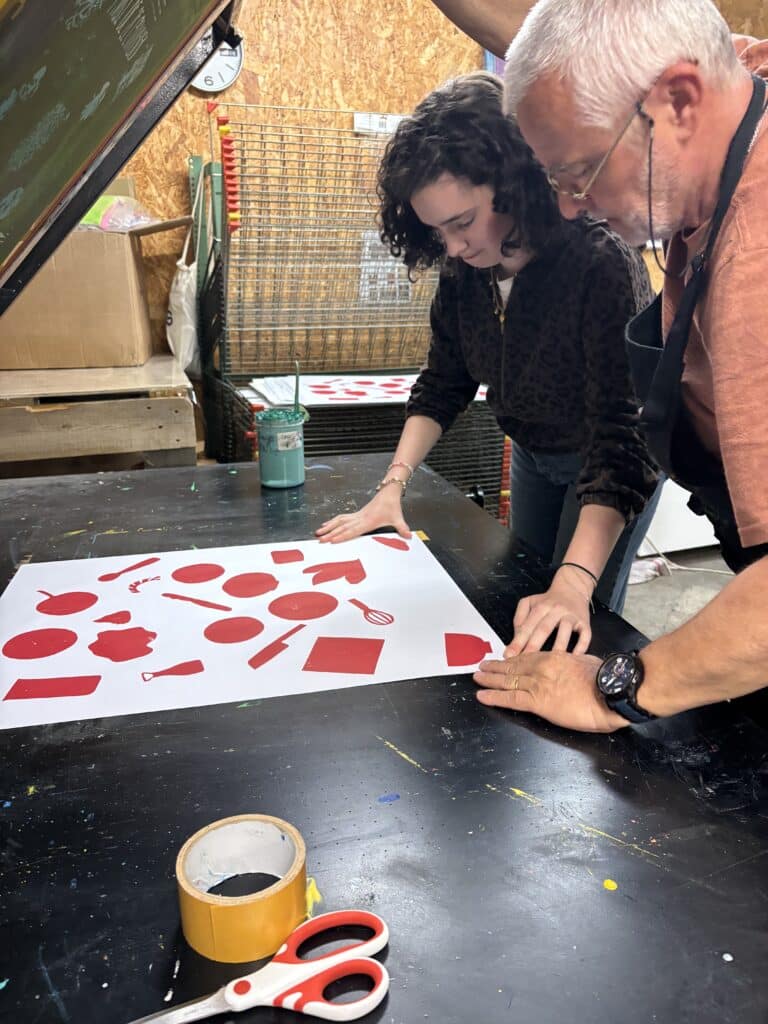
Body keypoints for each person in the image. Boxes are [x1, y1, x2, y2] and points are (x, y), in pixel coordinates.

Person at [460, 0, 768, 731]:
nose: (572, 208)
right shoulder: (732, 81)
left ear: (679, 103)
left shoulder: (755, 270)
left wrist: (619, 687)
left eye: (579, 174)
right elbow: (597, 57)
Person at [317, 72, 660, 656]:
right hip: (533, 450)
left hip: (608, 460)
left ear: (515, 185)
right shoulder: (466, 270)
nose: (453, 247)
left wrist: (576, 581)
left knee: (573, 624)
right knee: (520, 593)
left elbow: (623, 437)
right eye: (437, 231)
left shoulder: (598, 262)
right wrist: (392, 486)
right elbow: (443, 382)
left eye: (462, 223)